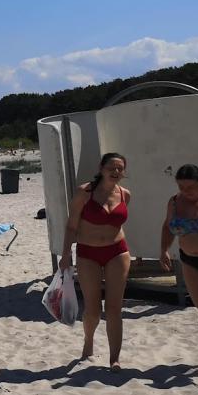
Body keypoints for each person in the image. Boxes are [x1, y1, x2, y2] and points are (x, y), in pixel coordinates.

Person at [60, 152, 131, 368]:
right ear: (101, 168)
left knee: (114, 308)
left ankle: (114, 358)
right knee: (92, 308)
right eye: (112, 167)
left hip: (117, 252)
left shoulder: (125, 194)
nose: (116, 171)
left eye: (120, 168)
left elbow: (118, 224)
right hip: (88, 253)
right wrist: (65, 255)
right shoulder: (85, 192)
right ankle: (88, 342)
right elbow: (72, 226)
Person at [160, 163, 198, 347]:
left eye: (190, 187)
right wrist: (163, 250)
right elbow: (167, 227)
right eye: (181, 187)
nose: (186, 191)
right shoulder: (174, 201)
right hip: (189, 260)